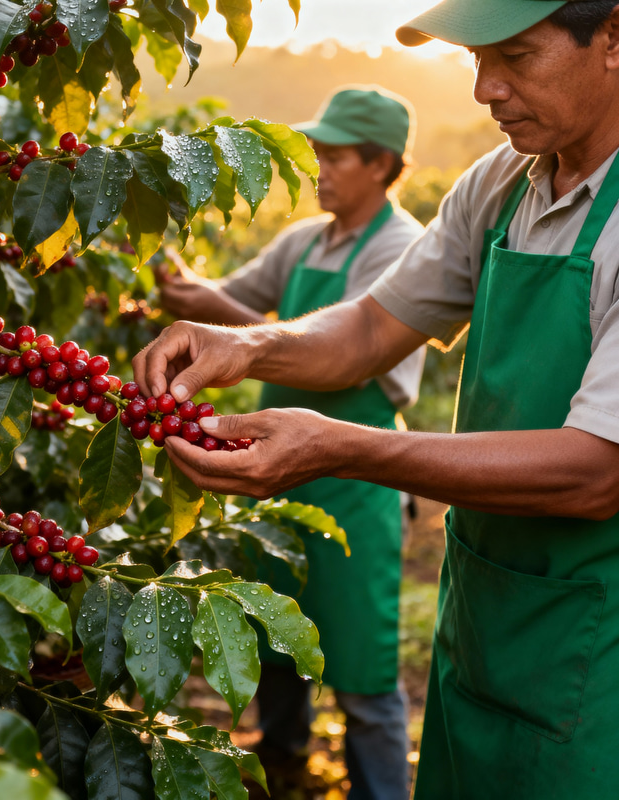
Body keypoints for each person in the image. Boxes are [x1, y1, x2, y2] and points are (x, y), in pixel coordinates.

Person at [133, 1, 619, 797]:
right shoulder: (501, 184)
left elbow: (598, 469)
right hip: (486, 621)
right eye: (474, 60)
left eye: (518, 57)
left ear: (614, 36)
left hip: (601, 656)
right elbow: (369, 328)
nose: (484, 90)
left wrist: (344, 447)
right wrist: (248, 343)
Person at [155, 86, 425, 800]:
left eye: (335, 157)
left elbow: (350, 353)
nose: (320, 171)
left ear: (381, 163)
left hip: (355, 480)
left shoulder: (403, 248)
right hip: (275, 466)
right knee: (274, 630)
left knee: (364, 667)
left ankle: (380, 790)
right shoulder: (303, 239)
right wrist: (179, 287)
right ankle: (283, 761)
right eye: (318, 155)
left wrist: (220, 320)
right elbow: (233, 299)